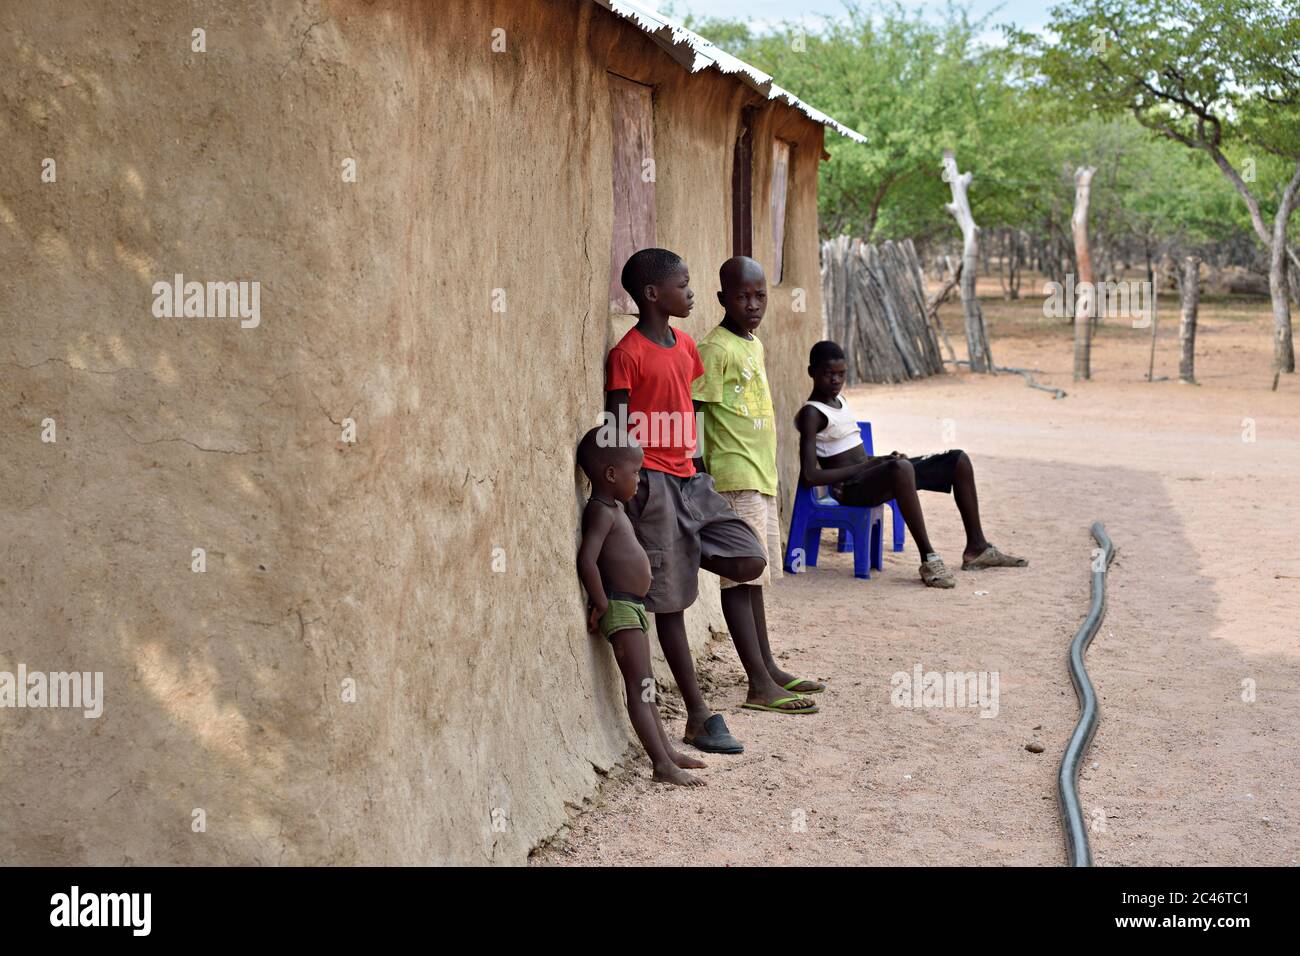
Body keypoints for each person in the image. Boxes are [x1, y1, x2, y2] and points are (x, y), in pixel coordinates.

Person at [603, 248, 813, 755]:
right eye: (684, 284)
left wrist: (695, 465)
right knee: (671, 602)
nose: (691, 292)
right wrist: (623, 496)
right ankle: (698, 715)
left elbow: (687, 413)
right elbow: (616, 428)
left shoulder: (687, 347)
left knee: (748, 557)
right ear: (654, 294)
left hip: (691, 478)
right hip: (651, 483)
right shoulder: (627, 353)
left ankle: (683, 553)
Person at [691, 255, 824, 711]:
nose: (753, 304)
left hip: (759, 476)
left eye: (760, 295)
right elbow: (695, 410)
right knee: (738, 577)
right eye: (742, 296)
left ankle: (767, 666)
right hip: (731, 475)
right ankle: (757, 684)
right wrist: (696, 473)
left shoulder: (754, 344)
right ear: (722, 298)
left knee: (756, 576)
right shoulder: (715, 348)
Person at [794, 340, 1027, 588]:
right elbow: (810, 476)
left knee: (958, 460)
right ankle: (929, 558)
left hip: (868, 477)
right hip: (851, 490)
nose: (836, 380)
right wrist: (871, 466)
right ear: (812, 372)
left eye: (841, 374)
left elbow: (855, 457)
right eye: (829, 374)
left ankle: (977, 548)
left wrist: (884, 460)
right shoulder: (811, 414)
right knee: (901, 468)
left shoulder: (841, 402)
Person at [576, 428, 707, 786]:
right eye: (635, 471)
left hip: (631, 606)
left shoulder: (614, 507)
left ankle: (666, 752)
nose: (639, 478)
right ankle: (660, 764)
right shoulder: (601, 512)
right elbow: (587, 561)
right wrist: (601, 603)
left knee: (646, 684)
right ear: (611, 474)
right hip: (618, 605)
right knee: (639, 686)